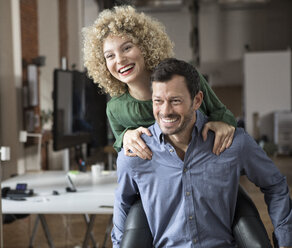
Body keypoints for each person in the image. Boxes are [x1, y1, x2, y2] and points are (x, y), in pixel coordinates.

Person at [112, 58, 292, 248]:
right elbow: (123, 205)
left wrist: (286, 240)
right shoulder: (135, 155)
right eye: (158, 101)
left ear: (197, 100)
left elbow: (275, 184)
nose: (165, 111)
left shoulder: (233, 144)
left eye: (175, 101)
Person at [82, 5, 236, 159]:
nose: (120, 59)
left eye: (127, 48)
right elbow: (126, 158)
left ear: (145, 47)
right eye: (110, 56)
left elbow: (221, 113)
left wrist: (223, 124)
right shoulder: (115, 109)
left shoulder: (187, 78)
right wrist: (125, 137)